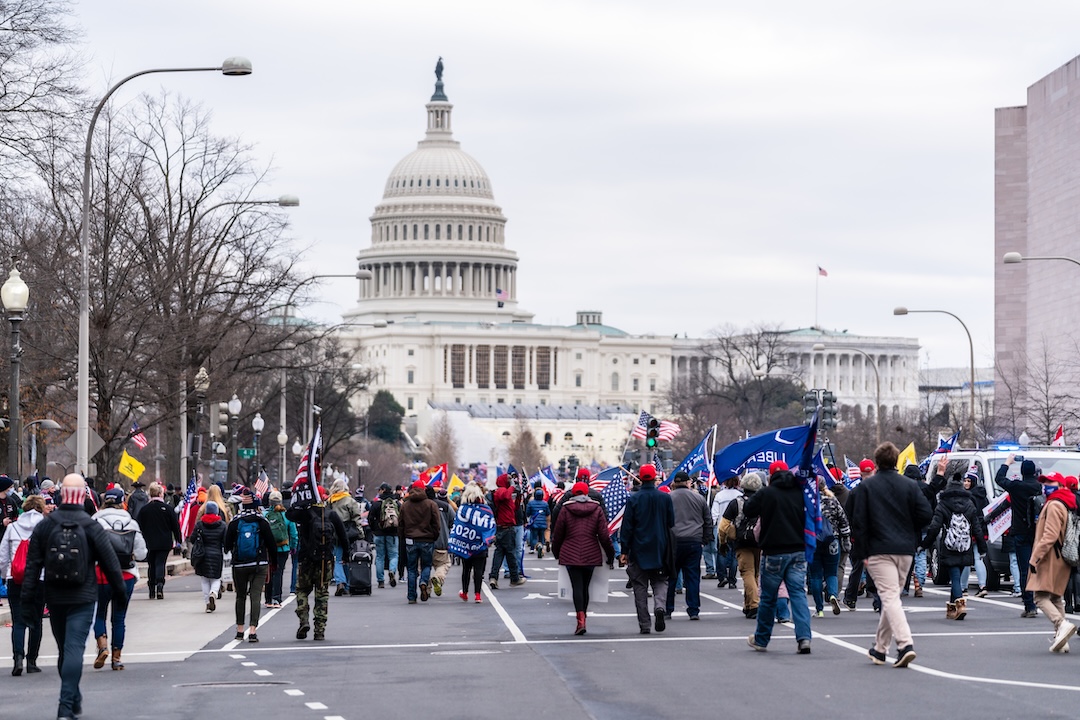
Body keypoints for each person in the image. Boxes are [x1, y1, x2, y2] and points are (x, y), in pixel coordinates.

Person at [21, 475, 127, 720]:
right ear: (82, 495)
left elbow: (32, 566)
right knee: (74, 650)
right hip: (84, 596)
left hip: (54, 596)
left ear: (60, 494)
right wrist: (120, 594)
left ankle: (72, 697)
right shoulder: (91, 526)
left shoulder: (45, 526)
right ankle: (66, 706)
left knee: (64, 650)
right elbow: (111, 564)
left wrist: (28, 601)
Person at [851, 443, 933, 668]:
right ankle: (879, 648)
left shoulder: (867, 487)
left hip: (879, 549)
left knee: (889, 597)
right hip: (905, 549)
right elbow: (926, 514)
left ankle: (905, 644)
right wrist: (907, 525)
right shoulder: (909, 485)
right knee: (891, 597)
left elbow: (858, 522)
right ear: (897, 461)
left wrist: (862, 552)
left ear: (876, 463)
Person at [743, 461, 812, 654]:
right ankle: (804, 638)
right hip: (798, 550)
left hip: (774, 551)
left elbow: (748, 509)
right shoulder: (800, 491)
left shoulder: (767, 493)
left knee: (768, 598)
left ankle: (762, 639)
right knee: (798, 594)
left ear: (771, 476)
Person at [90, 486, 147, 671]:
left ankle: (102, 645)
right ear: (123, 502)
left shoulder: (95, 522)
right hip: (126, 575)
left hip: (101, 574)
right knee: (119, 617)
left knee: (99, 613)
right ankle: (117, 657)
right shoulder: (132, 523)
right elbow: (141, 553)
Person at [287, 483, 349, 641]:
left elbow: (289, 514)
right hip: (325, 561)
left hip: (306, 560)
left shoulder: (305, 514)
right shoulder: (331, 514)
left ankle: (303, 619)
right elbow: (343, 536)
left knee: (301, 591)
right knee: (322, 595)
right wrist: (346, 555)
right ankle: (319, 630)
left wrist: (300, 503)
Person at [921, 470, 987, 620]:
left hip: (949, 544)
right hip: (965, 545)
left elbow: (934, 527)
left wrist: (925, 544)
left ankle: (960, 605)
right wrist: (982, 547)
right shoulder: (969, 504)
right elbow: (976, 527)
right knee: (957, 575)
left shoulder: (943, 504)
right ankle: (952, 609)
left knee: (955, 577)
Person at [552, 480, 615, 635]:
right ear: (587, 493)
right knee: (585, 587)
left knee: (577, 587)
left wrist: (556, 552)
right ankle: (583, 616)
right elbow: (604, 535)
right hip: (590, 551)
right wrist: (611, 554)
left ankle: (580, 619)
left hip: (570, 551)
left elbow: (558, 534)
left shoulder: (565, 509)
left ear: (573, 493)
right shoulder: (597, 509)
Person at [620, 464, 674, 634]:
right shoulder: (665, 498)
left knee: (639, 586)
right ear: (655, 477)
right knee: (660, 581)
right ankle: (659, 607)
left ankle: (645, 624)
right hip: (660, 546)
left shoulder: (634, 499)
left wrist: (624, 551)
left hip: (638, 548)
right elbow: (671, 522)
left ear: (641, 478)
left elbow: (627, 527)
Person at [1028, 473, 1079, 653]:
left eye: (1050, 482)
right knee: (1056, 596)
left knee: (1040, 597)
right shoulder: (1065, 503)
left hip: (1049, 557)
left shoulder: (1054, 504)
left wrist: (1035, 557)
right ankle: (1061, 639)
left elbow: (1049, 535)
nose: (1046, 485)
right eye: (1044, 482)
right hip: (1060, 557)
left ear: (1060, 484)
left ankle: (1061, 624)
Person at [0, 494, 46, 675]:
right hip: (38, 579)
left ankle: (17, 658)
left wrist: (5, 575)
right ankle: (32, 661)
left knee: (18, 620)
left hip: (16, 578)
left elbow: (3, 556)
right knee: (36, 621)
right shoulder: (44, 528)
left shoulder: (12, 528)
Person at [224, 488, 276, 643]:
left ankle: (240, 630)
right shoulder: (262, 521)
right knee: (255, 596)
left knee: (240, 596)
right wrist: (274, 563)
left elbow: (226, 545)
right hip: (259, 564)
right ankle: (252, 631)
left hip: (239, 564)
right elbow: (271, 544)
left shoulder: (235, 522)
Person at [996, 455, 1043, 618]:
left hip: (1021, 531)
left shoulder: (1017, 487)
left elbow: (999, 478)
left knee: (1025, 570)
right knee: (1039, 568)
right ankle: (1042, 600)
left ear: (1022, 472)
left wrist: (1007, 463)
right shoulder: (1039, 487)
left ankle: (1029, 605)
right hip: (1039, 532)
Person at [665, 471, 712, 621]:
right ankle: (693, 610)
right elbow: (708, 520)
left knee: (671, 577)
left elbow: (662, 521)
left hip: (673, 541)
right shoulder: (699, 498)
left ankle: (668, 609)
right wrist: (705, 539)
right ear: (687, 483)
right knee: (692, 577)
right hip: (693, 540)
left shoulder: (667, 498)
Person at [719, 472, 763, 618]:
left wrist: (723, 542)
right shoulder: (763, 502)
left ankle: (754, 604)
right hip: (760, 542)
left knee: (747, 573)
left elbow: (723, 526)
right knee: (755, 573)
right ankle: (749, 605)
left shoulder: (736, 503)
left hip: (742, 542)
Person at [809, 478, 850, 617]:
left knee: (815, 576)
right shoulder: (832, 501)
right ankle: (832, 595)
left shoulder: (808, 501)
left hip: (813, 540)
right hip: (832, 540)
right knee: (831, 572)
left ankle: (819, 608)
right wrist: (846, 540)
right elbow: (843, 521)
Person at [397, 480, 441, 603]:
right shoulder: (431, 504)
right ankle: (423, 582)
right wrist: (434, 536)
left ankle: (411, 596)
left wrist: (402, 537)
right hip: (427, 539)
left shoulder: (405, 505)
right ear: (424, 489)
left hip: (410, 539)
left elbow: (401, 524)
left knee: (411, 568)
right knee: (426, 565)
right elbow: (436, 524)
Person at [136, 481, 181, 600]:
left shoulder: (144, 510)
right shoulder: (167, 509)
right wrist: (178, 540)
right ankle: (160, 585)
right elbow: (175, 526)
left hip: (149, 541)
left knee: (151, 564)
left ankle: (151, 588)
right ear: (161, 493)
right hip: (164, 541)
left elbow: (138, 525)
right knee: (160, 563)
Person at [453, 482, 494, 603]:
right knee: (478, 570)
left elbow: (457, 526)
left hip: (466, 544)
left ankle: (465, 592)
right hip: (480, 544)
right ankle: (477, 595)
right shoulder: (486, 509)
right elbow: (490, 526)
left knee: (466, 569)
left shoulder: (463, 509)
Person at [488, 473, 526, 589]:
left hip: (504, 527)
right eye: (509, 479)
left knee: (500, 553)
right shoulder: (500, 491)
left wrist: (518, 495)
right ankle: (514, 578)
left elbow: (513, 508)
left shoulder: (504, 492)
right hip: (506, 528)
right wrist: (513, 487)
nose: (511, 481)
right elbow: (505, 496)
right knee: (510, 553)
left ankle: (494, 577)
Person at [327, 478, 363, 596]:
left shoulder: (330, 501)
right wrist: (360, 532)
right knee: (347, 558)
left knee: (337, 559)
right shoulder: (350, 501)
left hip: (334, 532)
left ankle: (340, 582)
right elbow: (356, 517)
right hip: (349, 532)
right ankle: (346, 584)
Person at [191, 499, 227, 613]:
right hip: (217, 554)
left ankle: (207, 603)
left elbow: (192, 539)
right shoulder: (222, 525)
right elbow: (226, 541)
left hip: (202, 555)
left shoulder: (200, 524)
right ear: (216, 512)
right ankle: (214, 593)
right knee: (216, 578)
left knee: (204, 579)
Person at [264, 491, 297, 608]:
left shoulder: (265, 515)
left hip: (268, 549)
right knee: (278, 572)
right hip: (283, 548)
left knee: (269, 572)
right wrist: (293, 546)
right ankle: (276, 598)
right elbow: (293, 533)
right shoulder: (286, 515)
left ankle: (268, 599)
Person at [711, 477, 742, 588]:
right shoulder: (739, 495)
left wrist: (713, 525)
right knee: (734, 555)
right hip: (735, 528)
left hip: (722, 527)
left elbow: (714, 513)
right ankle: (732, 580)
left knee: (721, 552)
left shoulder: (719, 495)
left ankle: (722, 577)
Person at [368, 483, 400, 589]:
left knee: (380, 557)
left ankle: (380, 580)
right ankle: (392, 570)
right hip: (393, 533)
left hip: (379, 533)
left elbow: (370, 518)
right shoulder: (397, 504)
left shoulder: (377, 504)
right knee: (394, 555)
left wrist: (373, 529)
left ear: (382, 490)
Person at [429, 484, 455, 596]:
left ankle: (425, 586)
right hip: (441, 540)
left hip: (423, 541)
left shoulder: (420, 506)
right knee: (444, 563)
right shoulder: (445, 506)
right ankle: (438, 578)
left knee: (425, 567)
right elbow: (453, 521)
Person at [527, 488, 551, 558]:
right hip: (543, 523)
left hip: (534, 522)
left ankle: (533, 548)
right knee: (541, 537)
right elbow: (548, 513)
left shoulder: (531, 503)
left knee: (533, 537)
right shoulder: (545, 503)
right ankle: (541, 547)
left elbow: (528, 513)